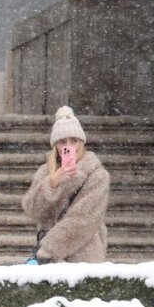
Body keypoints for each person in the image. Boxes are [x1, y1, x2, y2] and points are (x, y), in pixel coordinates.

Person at [22, 106, 110, 263]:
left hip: (83, 254)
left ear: (81, 143)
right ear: (56, 146)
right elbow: (33, 210)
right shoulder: (46, 172)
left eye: (74, 141)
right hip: (49, 260)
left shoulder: (97, 175)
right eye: (63, 142)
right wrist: (52, 184)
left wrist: (48, 249)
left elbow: (83, 219)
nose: (69, 146)